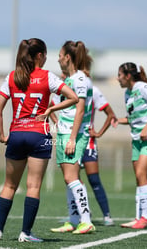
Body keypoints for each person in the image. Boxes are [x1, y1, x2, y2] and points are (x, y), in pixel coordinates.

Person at [0, 38, 78, 243]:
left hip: (17, 134)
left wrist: (2, 135)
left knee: (9, 185)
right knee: (33, 186)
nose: (47, 58)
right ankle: (25, 233)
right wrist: (51, 109)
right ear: (39, 56)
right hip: (40, 135)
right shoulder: (48, 77)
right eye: (45, 54)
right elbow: (74, 98)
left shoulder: (12, 77)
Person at [51, 83, 116, 226]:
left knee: (93, 179)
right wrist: (58, 124)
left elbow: (111, 114)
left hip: (87, 142)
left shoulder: (93, 89)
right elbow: (50, 107)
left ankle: (107, 215)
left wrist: (98, 133)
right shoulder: (64, 87)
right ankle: (79, 215)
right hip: (70, 139)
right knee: (72, 179)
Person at [112, 62, 147, 229]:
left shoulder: (142, 87)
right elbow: (134, 118)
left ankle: (146, 217)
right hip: (137, 139)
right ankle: (139, 217)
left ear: (127, 76)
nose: (117, 78)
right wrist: (118, 120)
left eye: (119, 75)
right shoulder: (127, 94)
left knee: (141, 172)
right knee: (139, 176)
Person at [50, 40, 96, 234]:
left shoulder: (80, 79)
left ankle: (86, 220)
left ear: (67, 57)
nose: (58, 58)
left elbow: (80, 110)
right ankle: (74, 220)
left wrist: (72, 138)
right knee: (68, 178)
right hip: (64, 131)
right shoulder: (68, 79)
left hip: (73, 133)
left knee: (71, 177)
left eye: (60, 55)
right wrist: (57, 122)